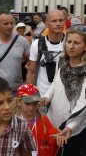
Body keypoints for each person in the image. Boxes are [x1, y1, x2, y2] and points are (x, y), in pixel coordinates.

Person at [42, 25, 86, 155]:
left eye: (77, 43)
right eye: (69, 41)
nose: (71, 46)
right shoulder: (62, 60)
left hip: (73, 125)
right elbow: (55, 83)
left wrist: (70, 126)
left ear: (85, 46)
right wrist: (46, 97)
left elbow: (83, 103)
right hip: (53, 119)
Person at [0, 12, 30, 95]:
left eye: (11, 23)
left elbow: (30, 63)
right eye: (6, 24)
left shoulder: (22, 41)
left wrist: (28, 85)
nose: (9, 26)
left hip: (17, 89)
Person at [16, 84, 66, 156]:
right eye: (27, 104)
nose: (31, 108)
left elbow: (53, 136)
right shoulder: (13, 122)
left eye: (35, 104)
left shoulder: (43, 120)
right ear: (19, 102)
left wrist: (59, 137)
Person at [26, 10, 66, 96]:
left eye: (61, 20)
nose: (58, 23)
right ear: (47, 24)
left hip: (65, 97)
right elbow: (32, 72)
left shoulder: (71, 43)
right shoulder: (37, 44)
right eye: (54, 21)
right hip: (42, 94)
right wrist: (29, 95)